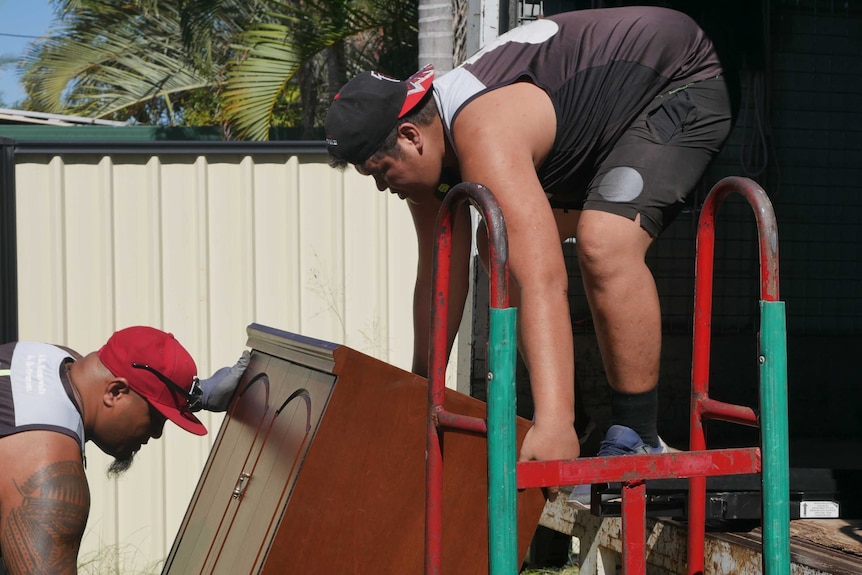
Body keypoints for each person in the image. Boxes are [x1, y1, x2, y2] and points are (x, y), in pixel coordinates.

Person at [324, 7, 732, 472]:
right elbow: (439, 277)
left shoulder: (482, 131)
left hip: (680, 81)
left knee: (605, 241)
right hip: (606, 120)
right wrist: (425, 389)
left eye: (381, 172)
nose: (382, 187)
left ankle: (636, 436)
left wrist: (551, 422)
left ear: (411, 135)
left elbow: (540, 276)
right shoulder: (428, 161)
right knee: (492, 244)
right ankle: (579, 423)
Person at [0, 326, 249, 575]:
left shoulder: (53, 359)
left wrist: (193, 397)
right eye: (155, 417)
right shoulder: (48, 485)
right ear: (116, 392)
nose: (156, 433)